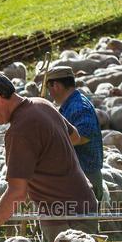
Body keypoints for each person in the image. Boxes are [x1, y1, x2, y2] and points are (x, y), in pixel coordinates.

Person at [0, 68, 98, 242]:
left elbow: (16, 193)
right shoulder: (42, 104)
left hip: (63, 218)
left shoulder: (19, 131)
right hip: (85, 204)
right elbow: (75, 136)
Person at [44, 66, 105, 203]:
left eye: (49, 88)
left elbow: (83, 135)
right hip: (77, 176)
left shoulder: (79, 106)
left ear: (57, 86)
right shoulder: (70, 105)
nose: (49, 93)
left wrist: (49, 146)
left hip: (84, 176)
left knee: (83, 223)